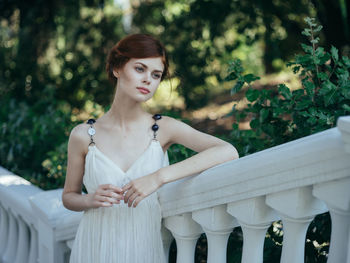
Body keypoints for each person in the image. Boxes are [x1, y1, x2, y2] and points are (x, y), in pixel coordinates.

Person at [62, 33, 239, 263]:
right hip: (95, 247)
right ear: (117, 68)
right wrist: (90, 200)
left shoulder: (163, 128)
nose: (148, 80)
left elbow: (228, 151)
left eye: (156, 75)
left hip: (143, 248)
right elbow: (69, 196)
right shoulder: (82, 135)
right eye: (140, 69)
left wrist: (158, 177)